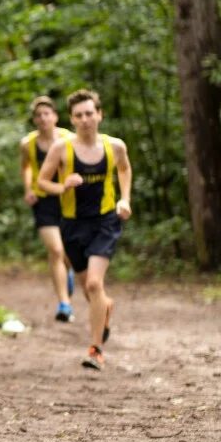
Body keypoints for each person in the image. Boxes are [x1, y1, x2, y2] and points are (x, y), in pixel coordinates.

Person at [37, 89, 132, 371]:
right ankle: (104, 308)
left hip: (105, 221)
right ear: (72, 119)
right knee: (90, 290)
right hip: (72, 225)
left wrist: (124, 199)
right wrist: (63, 185)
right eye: (79, 115)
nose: (85, 119)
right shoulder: (61, 149)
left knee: (93, 283)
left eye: (90, 113)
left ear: (99, 115)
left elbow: (125, 170)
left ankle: (95, 349)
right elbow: (43, 182)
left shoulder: (114, 146)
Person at [20, 95, 75, 322]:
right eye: (38, 115)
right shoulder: (28, 144)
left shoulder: (69, 139)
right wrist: (28, 189)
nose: (43, 118)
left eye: (47, 114)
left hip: (68, 199)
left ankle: (69, 270)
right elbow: (26, 167)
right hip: (43, 200)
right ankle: (65, 304)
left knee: (69, 252)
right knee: (55, 250)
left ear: (55, 117)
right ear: (34, 120)